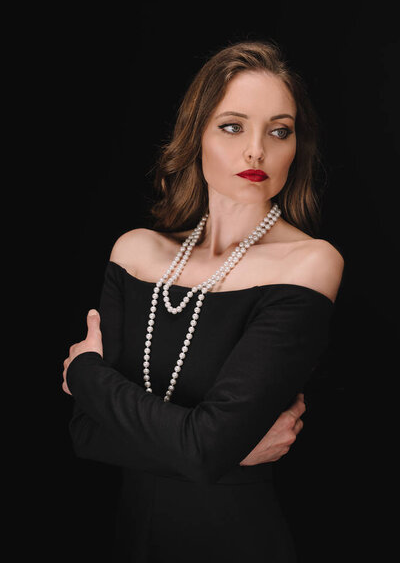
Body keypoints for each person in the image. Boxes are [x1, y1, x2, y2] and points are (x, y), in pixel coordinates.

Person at [63, 40, 344, 562]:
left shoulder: (309, 263)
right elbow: (84, 433)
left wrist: (85, 375)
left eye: (278, 131)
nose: (256, 150)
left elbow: (203, 446)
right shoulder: (136, 251)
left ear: (295, 148)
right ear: (197, 136)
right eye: (233, 126)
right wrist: (230, 453)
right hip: (130, 540)